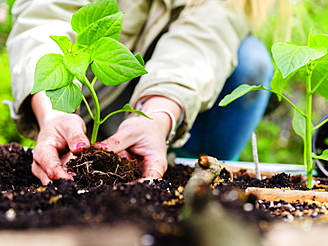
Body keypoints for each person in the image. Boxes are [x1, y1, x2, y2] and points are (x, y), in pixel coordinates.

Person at [6, 0, 275, 185]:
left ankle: (194, 170)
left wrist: (158, 115)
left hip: (172, 94)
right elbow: (45, 15)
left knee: (249, 61)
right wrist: (54, 114)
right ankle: (70, 146)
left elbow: (205, 35)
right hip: (85, 97)